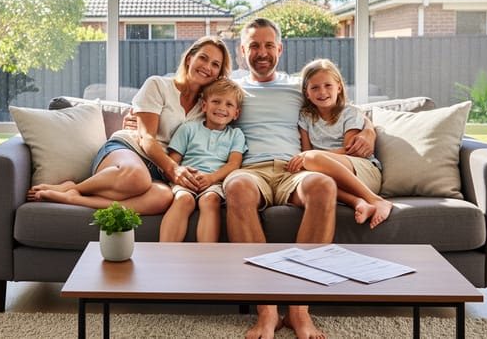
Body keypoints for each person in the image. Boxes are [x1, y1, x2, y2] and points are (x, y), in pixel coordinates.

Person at [222, 17, 376, 339]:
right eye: (254, 46)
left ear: (279, 49)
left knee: (323, 185)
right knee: (236, 186)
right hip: (252, 170)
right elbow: (193, 109)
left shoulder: (299, 87)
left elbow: (343, 104)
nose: (261, 53)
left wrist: (370, 131)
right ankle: (266, 312)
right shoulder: (232, 90)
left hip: (296, 170)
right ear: (241, 52)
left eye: (268, 45)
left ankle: (298, 311)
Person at [28, 36, 233, 215]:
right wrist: (174, 169)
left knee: (163, 198)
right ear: (190, 59)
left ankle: (74, 197)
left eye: (215, 64)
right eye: (203, 58)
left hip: (158, 172)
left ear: (219, 73)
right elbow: (146, 138)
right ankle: (77, 186)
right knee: (137, 177)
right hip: (129, 150)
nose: (207, 67)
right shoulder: (158, 85)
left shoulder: (210, 107)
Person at [292, 58, 392, 229]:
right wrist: (311, 160)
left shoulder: (349, 113)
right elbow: (306, 153)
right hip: (326, 174)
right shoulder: (306, 117)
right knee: (310, 177)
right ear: (307, 93)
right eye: (315, 87)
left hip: (362, 169)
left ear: (339, 87)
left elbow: (350, 151)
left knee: (310, 159)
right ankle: (359, 202)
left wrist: (316, 157)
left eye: (328, 85)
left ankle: (377, 200)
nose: (322, 92)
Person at [159, 78, 247, 243]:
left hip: (215, 182)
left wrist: (211, 178)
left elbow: (234, 164)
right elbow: (173, 162)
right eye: (216, 101)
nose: (221, 107)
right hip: (187, 179)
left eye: (229, 104)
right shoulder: (188, 128)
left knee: (210, 200)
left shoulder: (236, 135)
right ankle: (165, 249)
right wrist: (181, 178)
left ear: (236, 113)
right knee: (184, 199)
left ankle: (207, 253)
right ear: (204, 106)